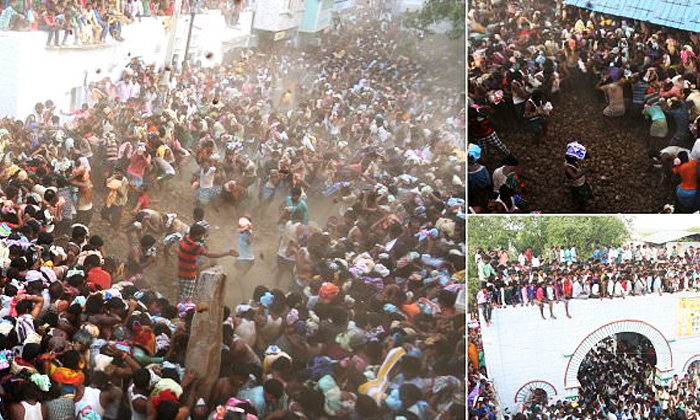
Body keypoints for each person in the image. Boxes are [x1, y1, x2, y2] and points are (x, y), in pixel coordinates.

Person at [177, 223, 238, 302]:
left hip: (181, 272)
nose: (201, 237)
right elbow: (209, 254)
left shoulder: (185, 239)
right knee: (186, 299)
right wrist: (228, 253)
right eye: (201, 235)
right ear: (196, 235)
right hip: (188, 275)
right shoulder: (194, 246)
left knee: (181, 296)